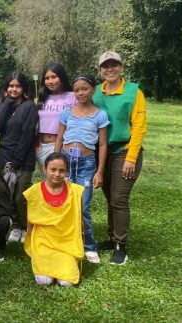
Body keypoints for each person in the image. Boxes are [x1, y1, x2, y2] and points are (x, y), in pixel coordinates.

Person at [92, 51, 147, 265]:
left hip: (125, 150)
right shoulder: (95, 92)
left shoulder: (133, 91)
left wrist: (131, 157)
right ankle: (111, 237)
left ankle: (120, 245)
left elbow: (139, 127)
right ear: (100, 70)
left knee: (119, 198)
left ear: (121, 67)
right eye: (105, 66)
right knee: (109, 196)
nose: (110, 69)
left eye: (114, 65)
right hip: (102, 151)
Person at [54, 74, 109, 264]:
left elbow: (102, 145)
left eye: (84, 89)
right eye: (76, 90)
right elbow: (59, 139)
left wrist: (99, 171)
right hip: (67, 164)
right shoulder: (67, 113)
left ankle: (90, 246)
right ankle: (66, 241)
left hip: (86, 165)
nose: (80, 93)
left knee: (82, 206)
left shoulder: (100, 115)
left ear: (93, 90)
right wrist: (55, 162)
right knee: (63, 204)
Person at [0, 72, 39, 244]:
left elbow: (28, 135)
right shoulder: (3, 106)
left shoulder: (29, 107)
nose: (13, 89)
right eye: (10, 86)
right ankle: (16, 227)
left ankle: (27, 226)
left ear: (23, 88)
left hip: (23, 159)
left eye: (17, 86)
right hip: (3, 156)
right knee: (7, 194)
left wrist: (17, 161)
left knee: (20, 195)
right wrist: (8, 102)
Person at [24, 153, 85, 287]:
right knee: (44, 281)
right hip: (43, 242)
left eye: (61, 170)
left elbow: (80, 220)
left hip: (66, 243)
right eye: (53, 169)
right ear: (44, 168)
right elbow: (30, 220)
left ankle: (65, 265)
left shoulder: (75, 191)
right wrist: (30, 238)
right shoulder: (34, 191)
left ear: (66, 171)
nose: (57, 174)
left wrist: (80, 239)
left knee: (67, 282)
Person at [36, 63, 75, 178]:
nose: (50, 81)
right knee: (47, 183)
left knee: (63, 182)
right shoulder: (43, 98)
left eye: (54, 77)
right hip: (41, 146)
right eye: (47, 78)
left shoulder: (72, 97)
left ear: (61, 78)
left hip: (62, 145)